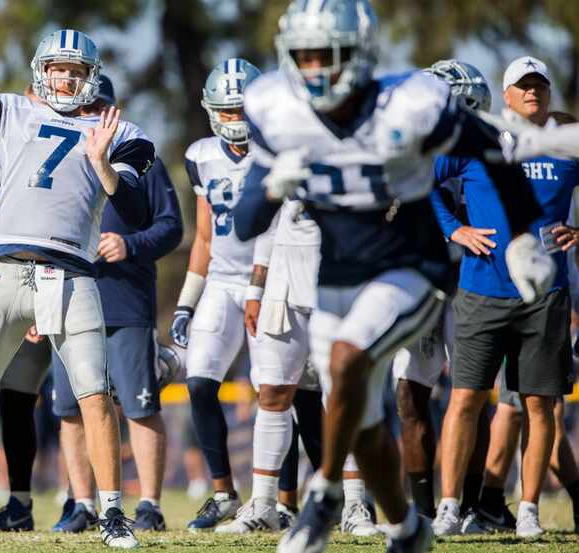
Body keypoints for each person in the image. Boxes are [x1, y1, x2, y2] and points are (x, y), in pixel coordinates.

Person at [232, 1, 572, 551]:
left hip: (410, 272)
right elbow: (247, 223)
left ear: (360, 55)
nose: (315, 69)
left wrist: (524, 237)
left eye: (329, 55)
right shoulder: (276, 108)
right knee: (362, 420)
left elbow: (489, 150)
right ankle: (407, 528)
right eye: (304, 56)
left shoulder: (408, 103)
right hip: (335, 282)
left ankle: (322, 497)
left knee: (347, 360)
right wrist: (271, 187)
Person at [0, 20, 155, 548]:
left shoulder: (119, 131)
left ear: (91, 77)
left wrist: (104, 166)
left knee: (95, 396)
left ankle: (112, 513)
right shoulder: (12, 111)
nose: (66, 80)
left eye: (76, 72)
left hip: (72, 273)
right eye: (58, 69)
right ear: (41, 72)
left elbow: (137, 210)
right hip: (5, 271)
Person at [433, 56, 579, 539]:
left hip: (546, 294)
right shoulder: (479, 137)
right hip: (481, 291)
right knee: (466, 400)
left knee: (539, 406)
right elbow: (424, 181)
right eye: (524, 86)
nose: (533, 92)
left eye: (540, 84)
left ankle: (530, 507)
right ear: (507, 94)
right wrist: (455, 230)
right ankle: (450, 506)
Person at [51, 74, 183, 533]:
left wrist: (130, 244)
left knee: (139, 405)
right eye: (83, 111)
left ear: (113, 111)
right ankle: (83, 503)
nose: (92, 119)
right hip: (65, 297)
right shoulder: (57, 159)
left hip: (125, 300)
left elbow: (171, 228)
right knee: (70, 410)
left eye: (99, 109)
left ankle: (149, 503)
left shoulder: (144, 160)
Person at [393, 59, 493, 521]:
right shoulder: (406, 152)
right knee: (408, 395)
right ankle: (425, 510)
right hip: (422, 284)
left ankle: (472, 504)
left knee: (471, 397)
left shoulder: (488, 150)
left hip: (473, 283)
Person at [169, 57, 261, 531]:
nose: (235, 120)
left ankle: (277, 499)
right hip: (223, 283)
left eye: (242, 109)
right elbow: (204, 238)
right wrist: (187, 301)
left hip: (272, 281)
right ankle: (223, 491)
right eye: (226, 111)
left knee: (275, 393)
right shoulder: (201, 155)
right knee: (200, 382)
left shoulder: (278, 151)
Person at [215, 198, 325, 534]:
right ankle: (263, 505)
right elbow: (265, 225)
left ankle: (354, 505)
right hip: (282, 286)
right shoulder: (280, 148)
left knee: (343, 397)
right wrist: (255, 288)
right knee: (273, 393)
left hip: (338, 279)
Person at [0, 126, 54, 534]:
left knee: (87, 399)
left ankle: (96, 502)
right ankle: (19, 503)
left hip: (69, 279)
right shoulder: (4, 155)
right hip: (13, 281)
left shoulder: (78, 139)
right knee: (15, 399)